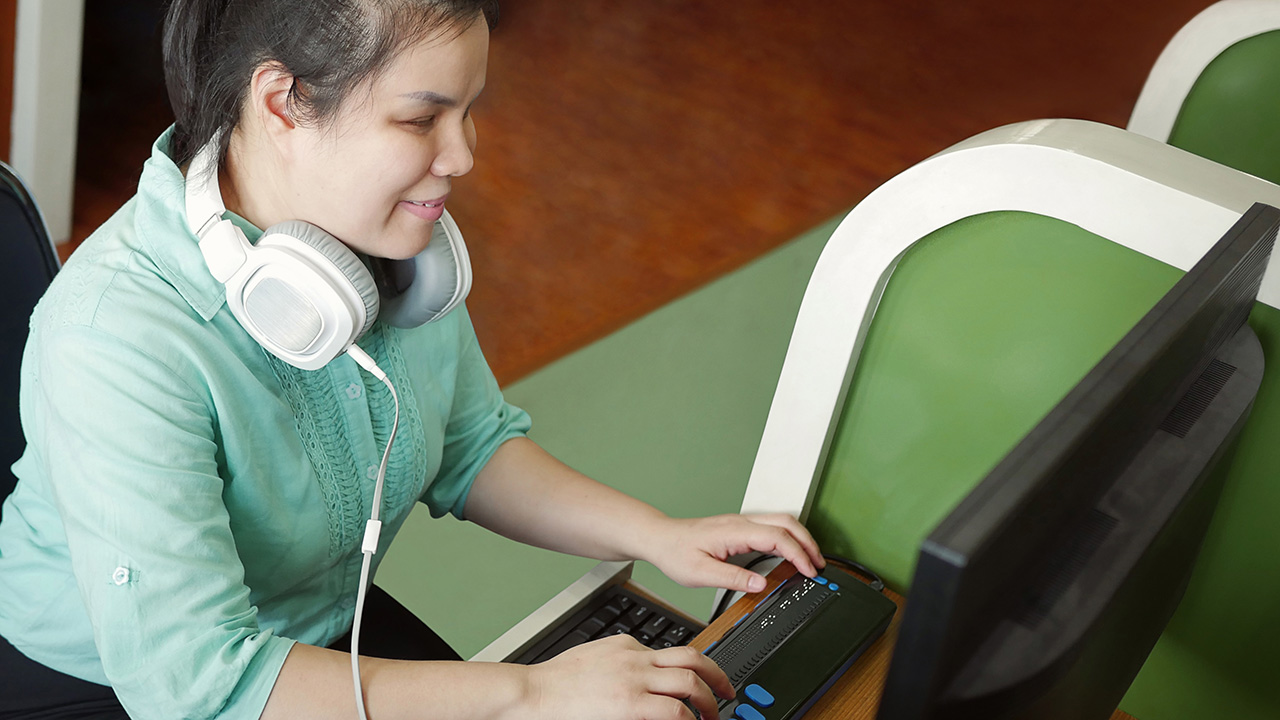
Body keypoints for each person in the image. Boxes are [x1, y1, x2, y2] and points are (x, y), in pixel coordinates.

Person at [0, 1, 825, 718]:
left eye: (467, 110)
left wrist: (659, 535)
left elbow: (471, 444)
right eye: (419, 117)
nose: (463, 153)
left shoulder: (387, 255)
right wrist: (530, 695)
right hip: (119, 685)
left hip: (318, 634)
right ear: (283, 102)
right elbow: (200, 687)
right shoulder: (115, 338)